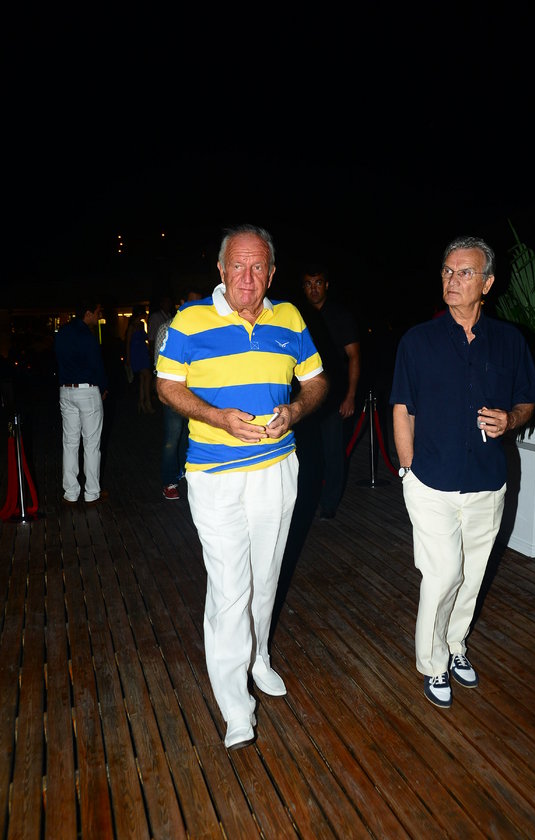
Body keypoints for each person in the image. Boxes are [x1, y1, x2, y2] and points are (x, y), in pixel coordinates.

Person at [156, 225, 328, 749]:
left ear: (271, 273)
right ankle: (235, 704)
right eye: (237, 265)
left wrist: (295, 410)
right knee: (231, 586)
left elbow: (316, 381)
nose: (247, 278)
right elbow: (166, 386)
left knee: (266, 575)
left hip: (277, 468)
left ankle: (258, 657)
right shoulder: (190, 320)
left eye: (257, 267)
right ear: (221, 269)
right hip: (215, 474)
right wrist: (217, 416)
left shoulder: (290, 318)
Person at [390, 235, 535, 709]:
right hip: (430, 480)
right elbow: (402, 408)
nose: (452, 280)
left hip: (487, 482)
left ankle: (455, 643)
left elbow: (528, 400)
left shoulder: (510, 341)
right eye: (447, 271)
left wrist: (510, 419)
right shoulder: (418, 341)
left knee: (472, 574)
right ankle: (433, 662)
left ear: (487, 283)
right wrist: (407, 469)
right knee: (443, 574)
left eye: (464, 273)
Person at [300, 265, 361, 519]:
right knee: (307, 453)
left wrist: (350, 396)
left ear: (326, 285)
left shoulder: (340, 315)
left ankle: (329, 504)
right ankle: (306, 500)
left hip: (334, 396)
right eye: (308, 283)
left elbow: (354, 356)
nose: (313, 288)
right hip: (304, 397)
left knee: (333, 452)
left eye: (318, 283)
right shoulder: (298, 315)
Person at [54, 298, 109, 505]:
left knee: (69, 443)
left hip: (66, 390)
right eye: (97, 312)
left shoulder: (62, 333)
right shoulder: (87, 335)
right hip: (87, 390)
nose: (99, 315)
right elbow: (97, 364)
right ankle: (92, 492)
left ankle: (70, 492)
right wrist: (103, 387)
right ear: (87, 313)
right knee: (91, 444)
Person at [154, 288, 204, 500]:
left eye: (200, 302)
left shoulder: (204, 327)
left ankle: (184, 471)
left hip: (198, 393)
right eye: (192, 302)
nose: (196, 307)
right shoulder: (168, 327)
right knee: (172, 437)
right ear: (182, 302)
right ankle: (169, 481)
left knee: (191, 435)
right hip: (175, 392)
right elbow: (158, 365)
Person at [126, 306, 154, 413]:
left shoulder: (142, 324)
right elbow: (128, 343)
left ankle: (141, 402)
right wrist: (128, 358)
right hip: (136, 354)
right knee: (148, 376)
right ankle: (147, 402)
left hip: (143, 352)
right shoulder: (132, 326)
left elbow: (146, 337)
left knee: (143, 378)